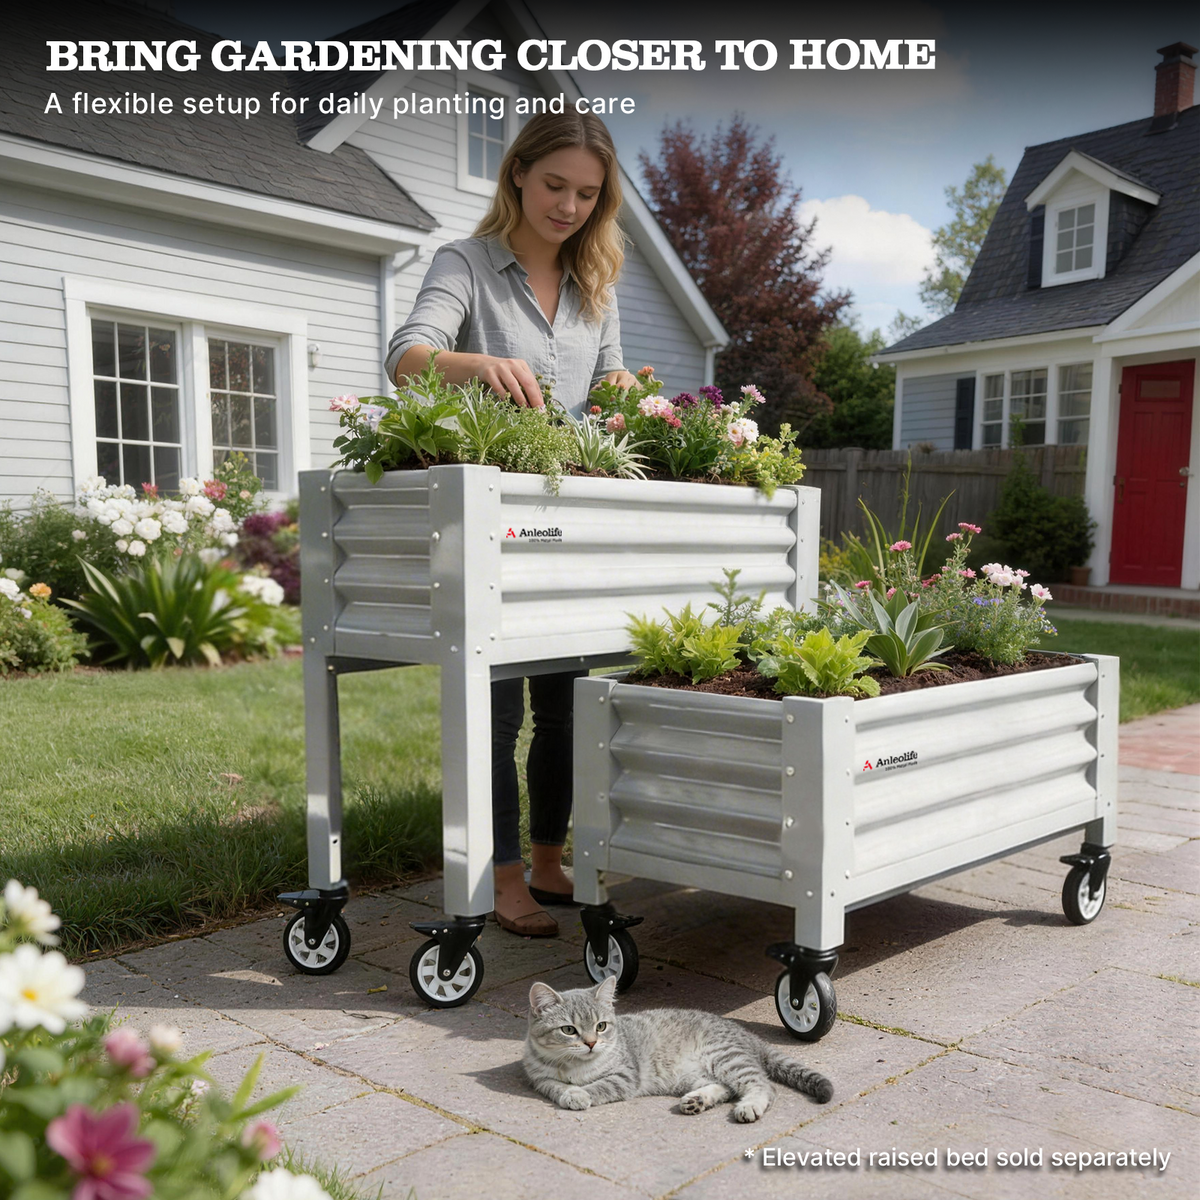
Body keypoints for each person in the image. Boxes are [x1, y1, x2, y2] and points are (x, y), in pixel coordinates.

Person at [385, 111, 639, 936]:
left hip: (570, 521)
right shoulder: (465, 263)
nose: (567, 205)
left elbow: (609, 392)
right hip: (492, 524)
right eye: (555, 185)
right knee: (497, 707)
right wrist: (476, 363)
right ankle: (498, 877)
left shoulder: (596, 287)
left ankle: (547, 858)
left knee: (567, 702)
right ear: (519, 175)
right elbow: (407, 356)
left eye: (586, 194)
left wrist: (637, 397)